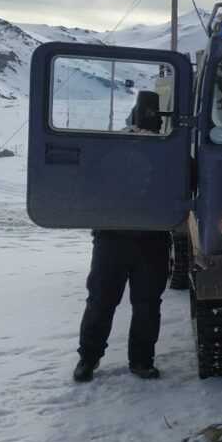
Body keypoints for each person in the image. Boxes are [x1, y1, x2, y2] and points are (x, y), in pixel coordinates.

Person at [72, 94, 172, 382]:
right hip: (113, 239)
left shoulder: (168, 150)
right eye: (142, 121)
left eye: (149, 123)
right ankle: (88, 359)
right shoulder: (112, 149)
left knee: (147, 305)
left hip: (151, 240)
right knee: (101, 302)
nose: (144, 129)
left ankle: (141, 361)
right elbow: (89, 185)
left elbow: (187, 181)